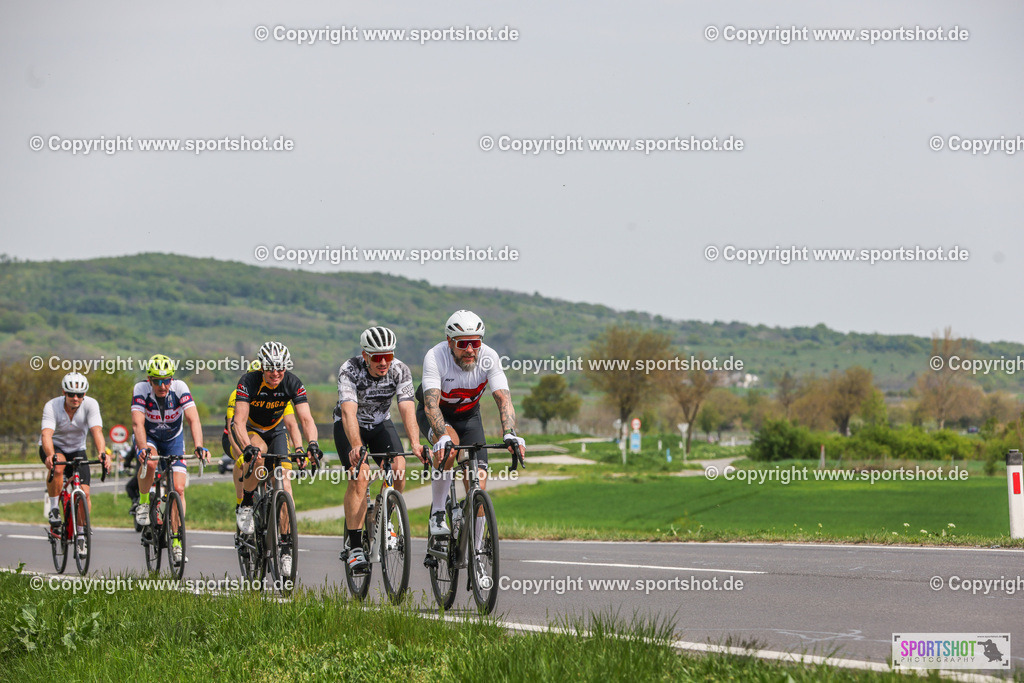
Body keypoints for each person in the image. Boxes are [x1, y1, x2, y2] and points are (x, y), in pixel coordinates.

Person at [417, 310, 526, 566]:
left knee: (478, 487)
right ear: (449, 341)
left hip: (469, 417)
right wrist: (442, 435)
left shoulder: (489, 357)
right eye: (462, 343)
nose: (469, 349)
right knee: (450, 448)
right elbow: (431, 404)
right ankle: (437, 513)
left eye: (474, 343)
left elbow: (503, 397)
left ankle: (476, 553)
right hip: (437, 414)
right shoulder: (435, 357)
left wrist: (510, 433)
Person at [333, 326, 426, 574]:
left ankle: (384, 517)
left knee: (398, 467)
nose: (384, 362)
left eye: (388, 355)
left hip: (379, 423)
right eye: (377, 357)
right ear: (365, 355)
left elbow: (406, 408)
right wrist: (356, 445)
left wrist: (415, 443)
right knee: (360, 475)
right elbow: (348, 411)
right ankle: (354, 547)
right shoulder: (349, 369)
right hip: (349, 426)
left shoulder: (400, 370)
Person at [231, 341, 322, 577]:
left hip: (276, 430)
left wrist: (311, 444)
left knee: (285, 487)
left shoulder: (292, 382)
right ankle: (247, 503)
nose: (275, 373)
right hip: (253, 430)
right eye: (270, 367)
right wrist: (247, 447)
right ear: (262, 366)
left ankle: (285, 549)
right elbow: (238, 422)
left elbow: (305, 419)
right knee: (259, 459)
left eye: (280, 367)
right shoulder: (248, 381)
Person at [131, 354, 210, 564]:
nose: (162, 385)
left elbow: (193, 419)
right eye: (157, 381)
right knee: (151, 461)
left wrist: (199, 446)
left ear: (171, 379)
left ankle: (176, 542)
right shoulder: (141, 390)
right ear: (149, 380)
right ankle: (144, 502)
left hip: (174, 439)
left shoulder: (180, 388)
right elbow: (137, 423)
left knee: (179, 488)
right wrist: (141, 448)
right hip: (149, 437)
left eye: (166, 380)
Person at [40, 372, 112, 535]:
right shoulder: (52, 406)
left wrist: (102, 453)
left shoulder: (91, 405)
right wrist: (51, 455)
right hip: (54, 446)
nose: (75, 398)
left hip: (77, 449)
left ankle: (81, 532)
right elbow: (46, 435)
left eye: (79, 395)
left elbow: (97, 431)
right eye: (71, 394)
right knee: (58, 466)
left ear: (84, 394)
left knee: (85, 493)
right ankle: (54, 509)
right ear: (64, 393)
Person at [225, 383, 302, 517]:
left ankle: (285, 536)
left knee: (285, 484)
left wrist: (298, 449)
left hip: (274, 434)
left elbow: (291, 425)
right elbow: (234, 428)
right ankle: (242, 503)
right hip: (247, 434)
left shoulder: (281, 393)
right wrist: (242, 453)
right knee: (246, 461)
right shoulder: (240, 393)